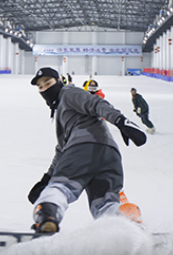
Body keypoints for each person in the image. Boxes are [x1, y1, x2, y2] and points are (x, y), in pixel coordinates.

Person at [28, 67, 147, 233]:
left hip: (82, 150)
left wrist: (121, 121)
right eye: (40, 87)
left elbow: (95, 103)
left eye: (48, 83)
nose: (45, 89)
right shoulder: (63, 110)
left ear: (60, 82)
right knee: (104, 205)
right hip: (108, 154)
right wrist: (47, 177)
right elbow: (62, 148)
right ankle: (125, 217)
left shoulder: (69, 94)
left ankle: (47, 217)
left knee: (60, 188)